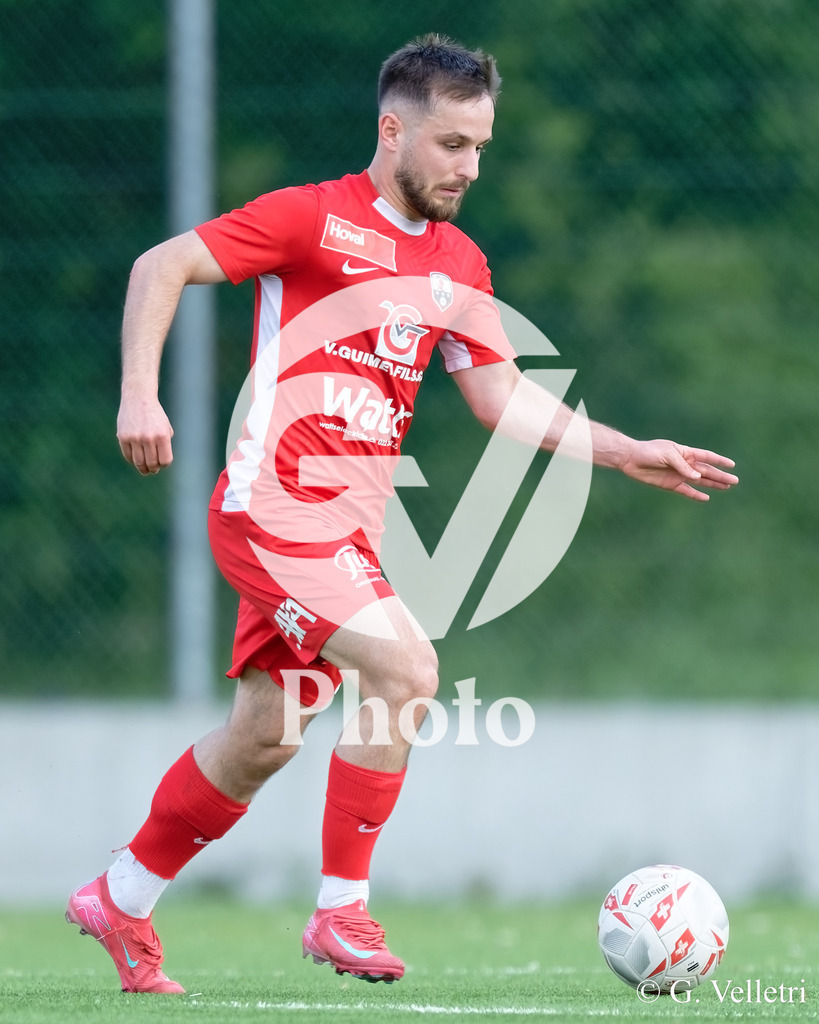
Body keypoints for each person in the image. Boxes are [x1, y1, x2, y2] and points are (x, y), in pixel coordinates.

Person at [65, 34, 738, 994]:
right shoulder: (308, 218)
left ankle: (120, 899)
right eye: (452, 146)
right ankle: (341, 910)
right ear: (393, 130)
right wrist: (140, 391)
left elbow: (502, 400)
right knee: (407, 666)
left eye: (480, 149)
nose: (469, 168)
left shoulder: (461, 264)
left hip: (341, 533)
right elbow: (160, 266)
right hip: (272, 509)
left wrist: (627, 449)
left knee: (266, 734)